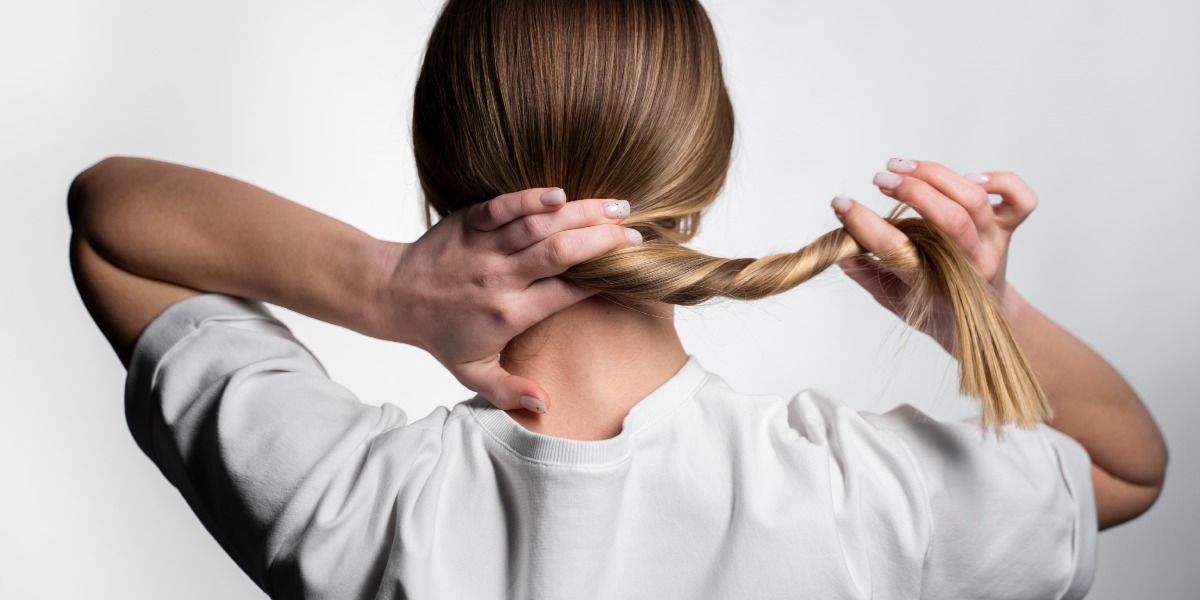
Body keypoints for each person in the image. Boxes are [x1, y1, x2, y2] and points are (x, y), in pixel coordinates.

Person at [69, 0, 1167, 598]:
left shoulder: (357, 506)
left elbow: (112, 228)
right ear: (707, 168)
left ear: (433, 166)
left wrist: (386, 287)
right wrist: (977, 310)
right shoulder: (865, 501)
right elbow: (1124, 465)